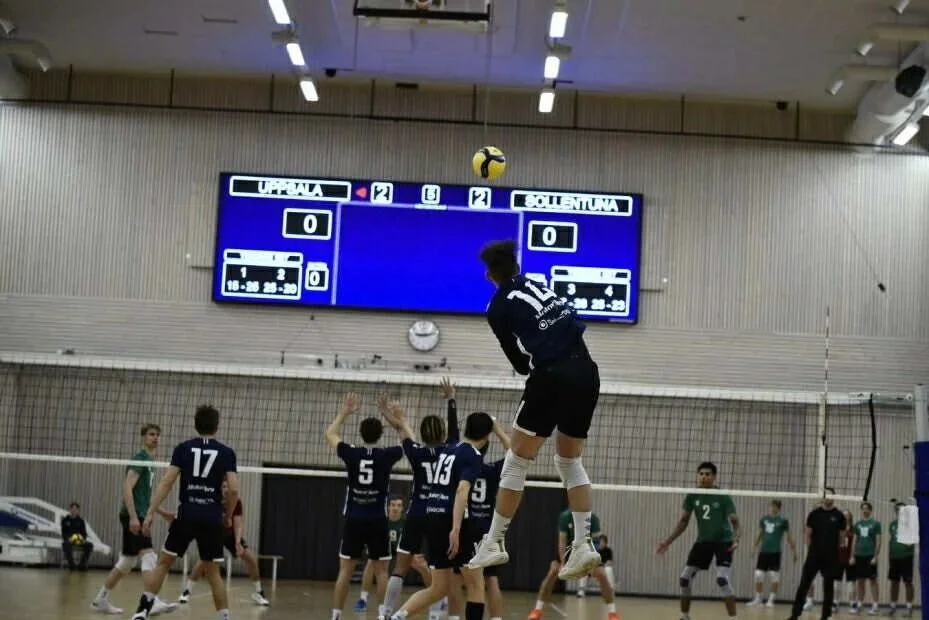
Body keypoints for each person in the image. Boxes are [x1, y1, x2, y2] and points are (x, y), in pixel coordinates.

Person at [469, 240, 602, 581]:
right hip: (587, 372)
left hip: (551, 376)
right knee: (569, 461)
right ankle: (584, 542)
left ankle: (494, 541)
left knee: (516, 459)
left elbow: (517, 359)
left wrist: (530, 368)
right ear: (516, 267)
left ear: (490, 275)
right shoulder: (537, 283)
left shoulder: (497, 306)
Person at [381, 407, 496, 620]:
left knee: (439, 587)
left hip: (432, 516)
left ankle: (398, 616)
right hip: (452, 521)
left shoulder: (449, 449)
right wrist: (456, 528)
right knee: (476, 585)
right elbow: (462, 490)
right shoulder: (473, 454)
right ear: (488, 435)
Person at [128, 405, 239, 620]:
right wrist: (227, 515)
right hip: (211, 517)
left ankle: (142, 611)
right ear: (217, 426)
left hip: (186, 515)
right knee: (213, 572)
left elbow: (167, 482)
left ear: (195, 425)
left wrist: (150, 511)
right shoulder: (227, 453)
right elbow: (234, 489)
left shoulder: (182, 449)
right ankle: (224, 617)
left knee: (164, 563)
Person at [379, 378, 460, 617]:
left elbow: (402, 430)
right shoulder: (451, 450)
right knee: (440, 573)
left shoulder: (415, 453)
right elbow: (454, 431)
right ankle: (436, 613)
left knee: (399, 569)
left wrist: (386, 413)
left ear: (422, 436)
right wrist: (451, 398)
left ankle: (385, 613)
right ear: (443, 434)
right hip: (439, 514)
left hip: (416, 513)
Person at [326, 393, 404, 620]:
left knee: (345, 571)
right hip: (378, 520)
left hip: (354, 517)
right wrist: (393, 416)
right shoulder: (386, 455)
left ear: (360, 434)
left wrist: (344, 412)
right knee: (381, 571)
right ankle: (383, 615)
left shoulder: (351, 453)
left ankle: (336, 615)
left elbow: (330, 434)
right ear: (380, 435)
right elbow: (408, 438)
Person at [92, 424, 176, 616]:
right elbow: (127, 487)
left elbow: (145, 497)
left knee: (127, 562)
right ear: (143, 437)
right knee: (149, 555)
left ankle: (101, 598)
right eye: (151, 434)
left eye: (157, 435)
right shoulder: (140, 459)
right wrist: (132, 517)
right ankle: (151, 601)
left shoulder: (150, 461)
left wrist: (162, 513)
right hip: (133, 515)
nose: (155, 438)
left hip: (138, 513)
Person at [656, 462, 740, 620]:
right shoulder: (692, 495)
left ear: (714, 477)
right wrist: (667, 541)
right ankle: (684, 616)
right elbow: (683, 522)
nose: (704, 477)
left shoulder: (723, 495)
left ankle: (733, 618)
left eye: (708, 474)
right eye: (701, 474)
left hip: (724, 541)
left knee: (722, 580)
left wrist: (736, 539)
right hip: (703, 542)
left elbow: (735, 522)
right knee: (684, 578)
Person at [178, 480, 269, 606]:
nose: (226, 489)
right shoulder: (212, 501)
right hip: (214, 533)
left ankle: (259, 592)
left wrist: (238, 542)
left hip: (230, 535)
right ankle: (186, 591)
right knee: (203, 562)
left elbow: (237, 523)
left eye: (228, 486)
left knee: (251, 558)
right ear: (219, 488)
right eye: (224, 486)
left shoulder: (236, 502)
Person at [528, 509, 619, 620]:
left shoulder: (593, 519)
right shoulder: (565, 517)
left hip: (587, 552)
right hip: (569, 551)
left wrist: (592, 564)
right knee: (553, 571)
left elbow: (596, 543)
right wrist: (562, 563)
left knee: (602, 574)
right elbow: (562, 541)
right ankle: (537, 609)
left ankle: (612, 612)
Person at [358, 496, 429, 613]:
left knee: (421, 565)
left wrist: (414, 554)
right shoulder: (382, 521)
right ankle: (363, 599)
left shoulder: (407, 521)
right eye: (393, 505)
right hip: (385, 549)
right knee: (372, 561)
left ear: (402, 509)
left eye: (399, 505)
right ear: (388, 507)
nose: (395, 508)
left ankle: (438, 597)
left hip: (402, 550)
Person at [786, 492, 848, 620]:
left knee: (828, 587)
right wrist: (811, 550)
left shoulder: (839, 516)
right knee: (804, 584)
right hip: (814, 555)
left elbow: (842, 539)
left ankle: (825, 615)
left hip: (831, 557)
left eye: (831, 495)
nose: (828, 497)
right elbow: (808, 534)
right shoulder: (814, 514)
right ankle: (795, 614)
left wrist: (839, 551)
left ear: (834, 497)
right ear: (823, 497)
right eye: (826, 495)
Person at [747, 500, 798, 607]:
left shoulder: (783, 521)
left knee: (774, 576)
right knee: (758, 575)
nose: (772, 508)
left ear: (779, 508)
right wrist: (754, 547)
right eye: (771, 506)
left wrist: (794, 552)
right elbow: (760, 533)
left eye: (775, 507)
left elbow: (789, 536)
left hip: (775, 552)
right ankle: (758, 599)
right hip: (763, 551)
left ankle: (771, 600)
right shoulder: (764, 519)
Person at [886, 502, 915, 617]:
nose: (899, 511)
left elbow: (911, 543)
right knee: (894, 582)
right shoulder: (892, 524)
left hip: (906, 557)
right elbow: (891, 541)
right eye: (897, 509)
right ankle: (892, 607)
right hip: (894, 558)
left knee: (908, 582)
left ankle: (909, 608)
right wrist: (889, 556)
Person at [61, 501, 94, 571]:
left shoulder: (81, 521)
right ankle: (72, 565)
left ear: (78, 511)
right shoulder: (65, 520)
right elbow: (64, 533)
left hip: (79, 540)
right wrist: (68, 538)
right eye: (72, 509)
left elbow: (84, 533)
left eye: (75, 510)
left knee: (89, 545)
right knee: (65, 545)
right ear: (70, 510)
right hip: (69, 540)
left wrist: (82, 539)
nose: (74, 511)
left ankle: (82, 565)